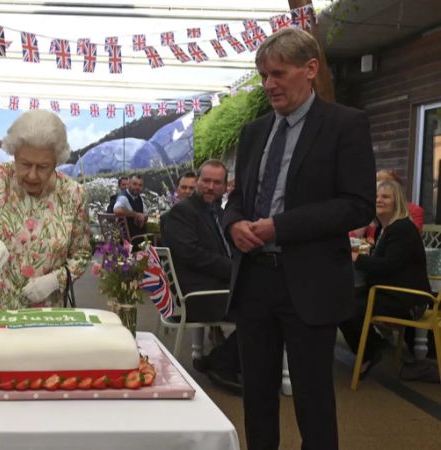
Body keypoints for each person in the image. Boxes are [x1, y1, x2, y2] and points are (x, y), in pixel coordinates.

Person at [223, 28, 375, 450]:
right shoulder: (254, 133)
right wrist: (234, 224)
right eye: (262, 75)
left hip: (309, 283)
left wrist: (280, 227)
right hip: (255, 281)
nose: (269, 84)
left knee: (313, 400)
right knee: (256, 396)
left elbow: (358, 205)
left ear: (310, 70)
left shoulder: (345, 125)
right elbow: (236, 200)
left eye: (278, 73)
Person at [0, 110, 91, 309]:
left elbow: (81, 254)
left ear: (56, 161)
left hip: (45, 311)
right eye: (24, 164)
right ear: (13, 153)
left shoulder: (73, 194)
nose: (32, 175)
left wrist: (55, 280)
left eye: (43, 166)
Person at [160, 160, 240, 394]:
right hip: (198, 295)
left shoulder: (217, 212)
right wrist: (236, 269)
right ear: (197, 182)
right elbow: (192, 255)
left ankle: (226, 358)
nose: (210, 187)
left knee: (269, 296)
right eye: (205, 181)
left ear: (225, 187)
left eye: (217, 183)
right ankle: (221, 361)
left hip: (217, 286)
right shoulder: (181, 213)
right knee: (265, 308)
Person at [339, 180, 431, 373]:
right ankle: (371, 349)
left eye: (385, 196)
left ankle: (372, 349)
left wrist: (356, 257)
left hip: (407, 299)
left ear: (397, 201)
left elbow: (388, 266)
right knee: (342, 300)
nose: (379, 200)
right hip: (389, 293)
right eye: (377, 197)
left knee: (345, 306)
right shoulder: (385, 229)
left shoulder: (402, 229)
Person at [113, 174, 147, 242]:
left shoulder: (138, 198)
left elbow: (145, 213)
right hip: (128, 240)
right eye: (134, 184)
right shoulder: (123, 197)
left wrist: (143, 218)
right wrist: (136, 215)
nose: (137, 187)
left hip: (137, 236)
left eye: (140, 185)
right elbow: (117, 210)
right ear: (128, 184)